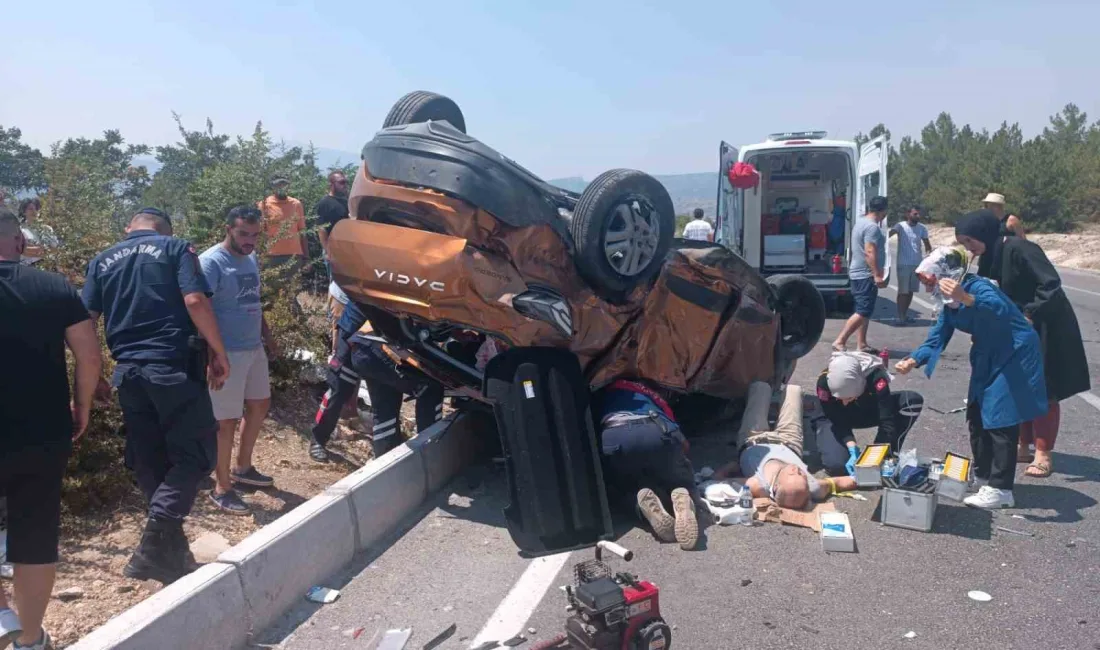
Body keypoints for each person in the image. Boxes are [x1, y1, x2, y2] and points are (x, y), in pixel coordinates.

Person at [82, 207, 230, 583]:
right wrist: (218, 351)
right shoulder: (175, 248)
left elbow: (86, 321)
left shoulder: (102, 260)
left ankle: (172, 555)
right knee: (198, 456)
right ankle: (150, 546)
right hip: (172, 368)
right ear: (166, 227)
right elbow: (195, 301)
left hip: (128, 374)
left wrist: (92, 372)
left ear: (129, 227)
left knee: (151, 459)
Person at [0, 209, 102, 650]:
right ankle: (28, 638)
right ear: (19, 242)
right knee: (35, 534)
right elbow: (90, 357)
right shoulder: (55, 287)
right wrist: (81, 407)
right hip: (43, 431)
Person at [896, 247, 1047, 509]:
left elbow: (999, 309)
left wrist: (966, 297)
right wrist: (913, 359)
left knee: (1000, 417)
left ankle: (1002, 490)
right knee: (976, 413)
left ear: (945, 273)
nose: (925, 284)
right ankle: (984, 476)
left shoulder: (977, 288)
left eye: (928, 278)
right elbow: (937, 337)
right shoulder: (948, 303)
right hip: (988, 353)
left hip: (1014, 352)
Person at [954, 209, 1090, 478]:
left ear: (984, 234)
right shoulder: (989, 257)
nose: (969, 248)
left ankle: (1043, 454)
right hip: (1014, 326)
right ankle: (1023, 446)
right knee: (1016, 383)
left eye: (970, 241)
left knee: (1043, 388)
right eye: (964, 243)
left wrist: (1029, 314)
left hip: (1044, 323)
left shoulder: (1021, 248)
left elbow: (1051, 284)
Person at [199, 206, 278, 515]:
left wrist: (267, 337)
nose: (250, 241)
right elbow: (200, 312)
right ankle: (221, 487)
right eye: (244, 234)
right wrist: (213, 357)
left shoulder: (251, 257)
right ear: (228, 229)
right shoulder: (211, 263)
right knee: (225, 421)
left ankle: (242, 468)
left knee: (260, 404)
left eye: (255, 235)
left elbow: (252, 299)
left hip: (252, 346)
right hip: (226, 351)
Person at [309, 300, 444, 462]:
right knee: (339, 387)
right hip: (355, 329)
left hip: (381, 335)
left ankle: (387, 453)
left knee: (387, 395)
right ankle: (318, 439)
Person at [716, 383, 858, 510]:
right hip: (789, 441)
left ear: (776, 487)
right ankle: (778, 397)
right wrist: (866, 473)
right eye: (801, 474)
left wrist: (732, 466)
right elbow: (840, 482)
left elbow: (718, 482)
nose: (796, 469)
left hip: (754, 439)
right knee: (794, 390)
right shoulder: (813, 486)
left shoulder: (758, 486)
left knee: (760, 387)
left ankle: (767, 397)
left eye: (792, 473)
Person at [596, 380, 699, 551]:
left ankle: (641, 509)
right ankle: (683, 497)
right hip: (656, 432)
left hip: (616, 438)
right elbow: (682, 443)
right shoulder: (649, 393)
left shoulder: (601, 394)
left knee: (621, 488)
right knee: (676, 478)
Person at [816, 351, 925, 476]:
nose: (845, 403)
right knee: (837, 466)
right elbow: (835, 418)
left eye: (849, 397)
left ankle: (889, 454)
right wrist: (851, 446)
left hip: (866, 409)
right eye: (840, 399)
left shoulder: (875, 376)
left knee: (911, 401)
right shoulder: (824, 382)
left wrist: (876, 454)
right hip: (835, 419)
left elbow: (886, 417)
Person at [832, 195, 889, 353]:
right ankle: (840, 340)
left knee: (864, 310)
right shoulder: (872, 227)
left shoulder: (860, 222)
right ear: (883, 211)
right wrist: (877, 274)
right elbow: (870, 251)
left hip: (857, 272)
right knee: (863, 310)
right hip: (865, 274)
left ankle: (861, 344)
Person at [257, 174, 308, 289]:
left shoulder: (296, 204)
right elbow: (261, 233)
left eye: (284, 184)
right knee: (272, 293)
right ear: (273, 187)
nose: (282, 187)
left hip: (294, 256)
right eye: (278, 185)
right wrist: (260, 256)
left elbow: (302, 232)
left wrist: (306, 257)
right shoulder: (264, 205)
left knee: (292, 292)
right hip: (272, 257)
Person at [888, 206, 931, 324]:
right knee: (903, 291)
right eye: (915, 214)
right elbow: (889, 234)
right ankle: (901, 317)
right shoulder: (900, 226)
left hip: (917, 264)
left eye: (919, 214)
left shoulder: (922, 228)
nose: (918, 216)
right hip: (903, 263)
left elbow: (927, 245)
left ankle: (905, 315)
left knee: (911, 290)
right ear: (908, 214)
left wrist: (929, 259)